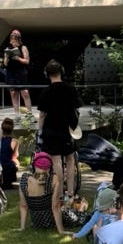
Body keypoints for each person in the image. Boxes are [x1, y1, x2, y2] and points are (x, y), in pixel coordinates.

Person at [36, 60, 80, 201]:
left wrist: (39, 132)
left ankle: (59, 193)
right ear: (62, 72)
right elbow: (77, 110)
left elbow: (42, 115)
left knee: (56, 161)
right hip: (67, 130)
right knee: (70, 159)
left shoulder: (46, 91)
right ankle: (71, 192)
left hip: (50, 129)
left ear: (47, 74)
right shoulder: (71, 89)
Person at [18, 151, 71, 233]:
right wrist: (61, 230)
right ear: (49, 168)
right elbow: (55, 206)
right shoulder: (53, 179)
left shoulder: (24, 179)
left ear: (34, 166)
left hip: (36, 223)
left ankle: (22, 227)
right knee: (74, 214)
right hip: (51, 222)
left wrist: (22, 228)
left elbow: (23, 206)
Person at [2, 29, 32, 115]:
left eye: (14, 38)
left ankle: (29, 114)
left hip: (20, 72)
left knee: (25, 93)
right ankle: (17, 115)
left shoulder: (23, 47)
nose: (12, 40)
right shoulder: (8, 48)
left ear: (18, 39)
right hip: (10, 73)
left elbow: (27, 61)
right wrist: (6, 56)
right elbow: (5, 64)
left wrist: (18, 58)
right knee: (13, 94)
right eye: (11, 38)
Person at [0, 117, 20, 189]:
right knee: (16, 161)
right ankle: (9, 180)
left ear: (2, 128)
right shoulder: (14, 141)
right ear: (12, 129)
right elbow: (15, 155)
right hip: (8, 166)